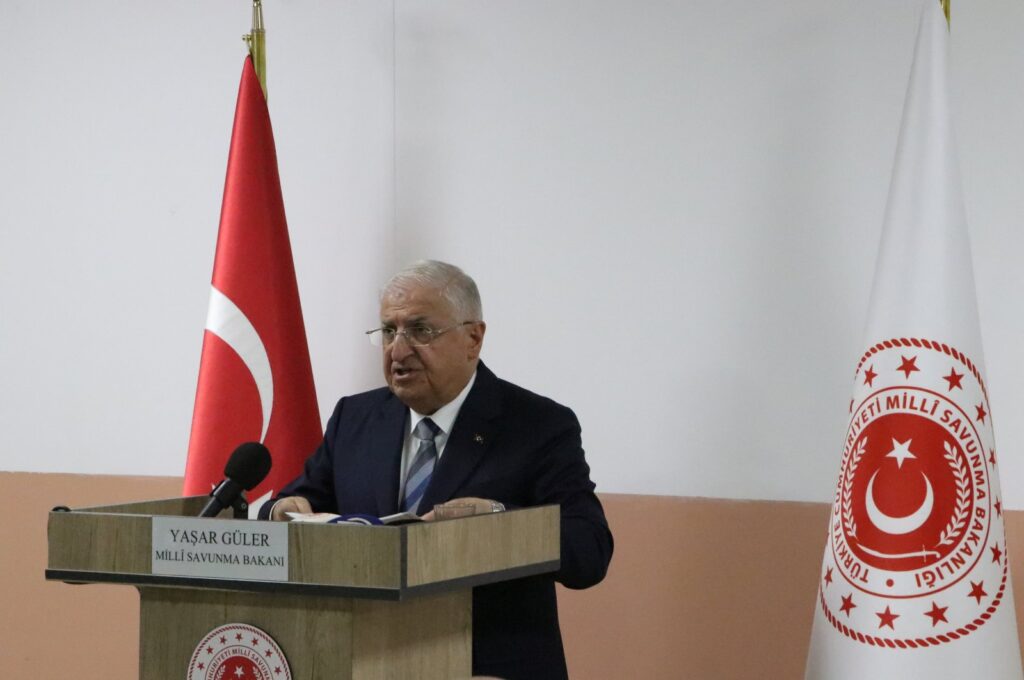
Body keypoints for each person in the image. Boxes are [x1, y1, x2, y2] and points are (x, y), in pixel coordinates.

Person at [262, 260, 613, 680]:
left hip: (485, 667)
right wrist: (279, 511)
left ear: (473, 338)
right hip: (365, 662)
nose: (398, 349)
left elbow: (589, 551)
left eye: (420, 331)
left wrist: (500, 523)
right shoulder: (355, 418)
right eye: (388, 331)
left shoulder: (537, 425)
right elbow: (295, 502)